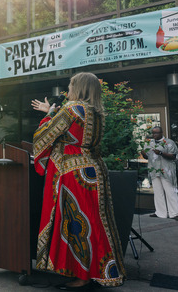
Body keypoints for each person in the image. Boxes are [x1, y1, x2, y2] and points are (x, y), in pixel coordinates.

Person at [31, 72, 125, 290]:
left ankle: (82, 276)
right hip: (94, 171)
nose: (69, 90)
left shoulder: (72, 109)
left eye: (71, 85)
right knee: (96, 223)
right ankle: (103, 272)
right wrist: (53, 113)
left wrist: (48, 115)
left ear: (79, 88)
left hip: (74, 173)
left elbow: (44, 135)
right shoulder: (97, 112)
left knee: (75, 225)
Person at [140, 126, 178, 221]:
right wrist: (143, 153)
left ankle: (176, 213)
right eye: (153, 133)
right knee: (158, 192)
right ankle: (160, 213)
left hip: (166, 171)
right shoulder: (149, 143)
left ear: (161, 133)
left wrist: (161, 153)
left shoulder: (169, 142)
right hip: (154, 170)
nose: (154, 135)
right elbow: (147, 157)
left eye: (156, 133)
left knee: (170, 192)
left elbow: (174, 156)